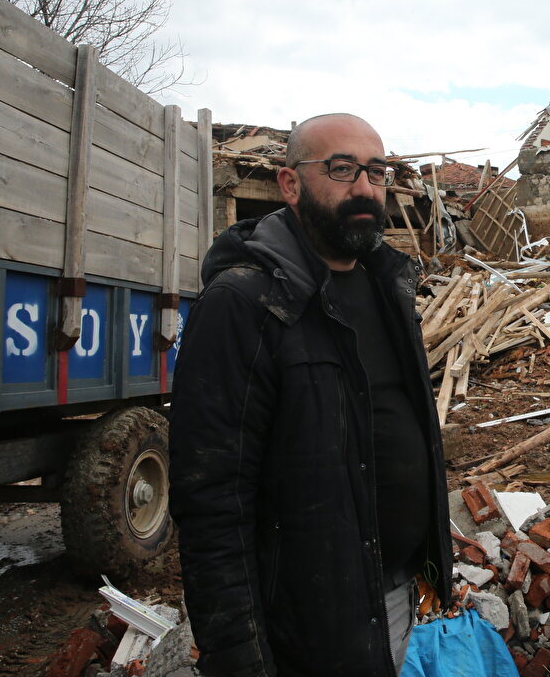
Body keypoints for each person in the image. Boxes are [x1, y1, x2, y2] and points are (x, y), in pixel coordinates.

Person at [169, 113, 452, 677]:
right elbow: (211, 500)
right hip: (304, 617)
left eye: (377, 171)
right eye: (342, 169)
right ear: (290, 184)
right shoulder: (244, 303)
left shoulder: (387, 287)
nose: (366, 188)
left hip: (391, 591)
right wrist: (238, 655)